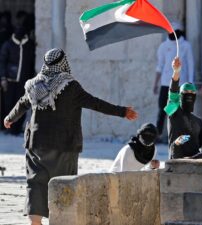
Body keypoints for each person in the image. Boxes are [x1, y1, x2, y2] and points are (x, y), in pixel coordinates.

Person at [3, 48, 138, 225]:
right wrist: (122, 112)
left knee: (35, 184)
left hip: (37, 144)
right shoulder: (69, 86)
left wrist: (9, 118)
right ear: (63, 63)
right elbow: (95, 103)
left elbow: (22, 103)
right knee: (64, 185)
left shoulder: (35, 85)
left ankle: (35, 223)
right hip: (64, 145)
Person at [153, 22, 194, 142]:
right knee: (162, 109)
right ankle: (158, 135)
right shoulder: (163, 46)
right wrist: (156, 83)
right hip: (166, 83)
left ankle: (182, 135)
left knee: (182, 110)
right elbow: (159, 66)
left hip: (182, 83)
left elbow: (190, 64)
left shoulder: (186, 45)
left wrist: (190, 82)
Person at [165, 57, 202, 159]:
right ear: (180, 95)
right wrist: (176, 72)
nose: (189, 96)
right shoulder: (173, 113)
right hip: (175, 164)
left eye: (192, 93)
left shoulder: (199, 122)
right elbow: (172, 94)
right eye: (185, 93)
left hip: (194, 166)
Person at [0, 26, 35, 135]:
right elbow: (2, 62)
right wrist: (3, 78)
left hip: (23, 82)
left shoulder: (28, 45)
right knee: (9, 104)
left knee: (22, 105)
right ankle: (9, 127)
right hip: (10, 80)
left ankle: (17, 128)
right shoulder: (8, 45)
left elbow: (31, 63)